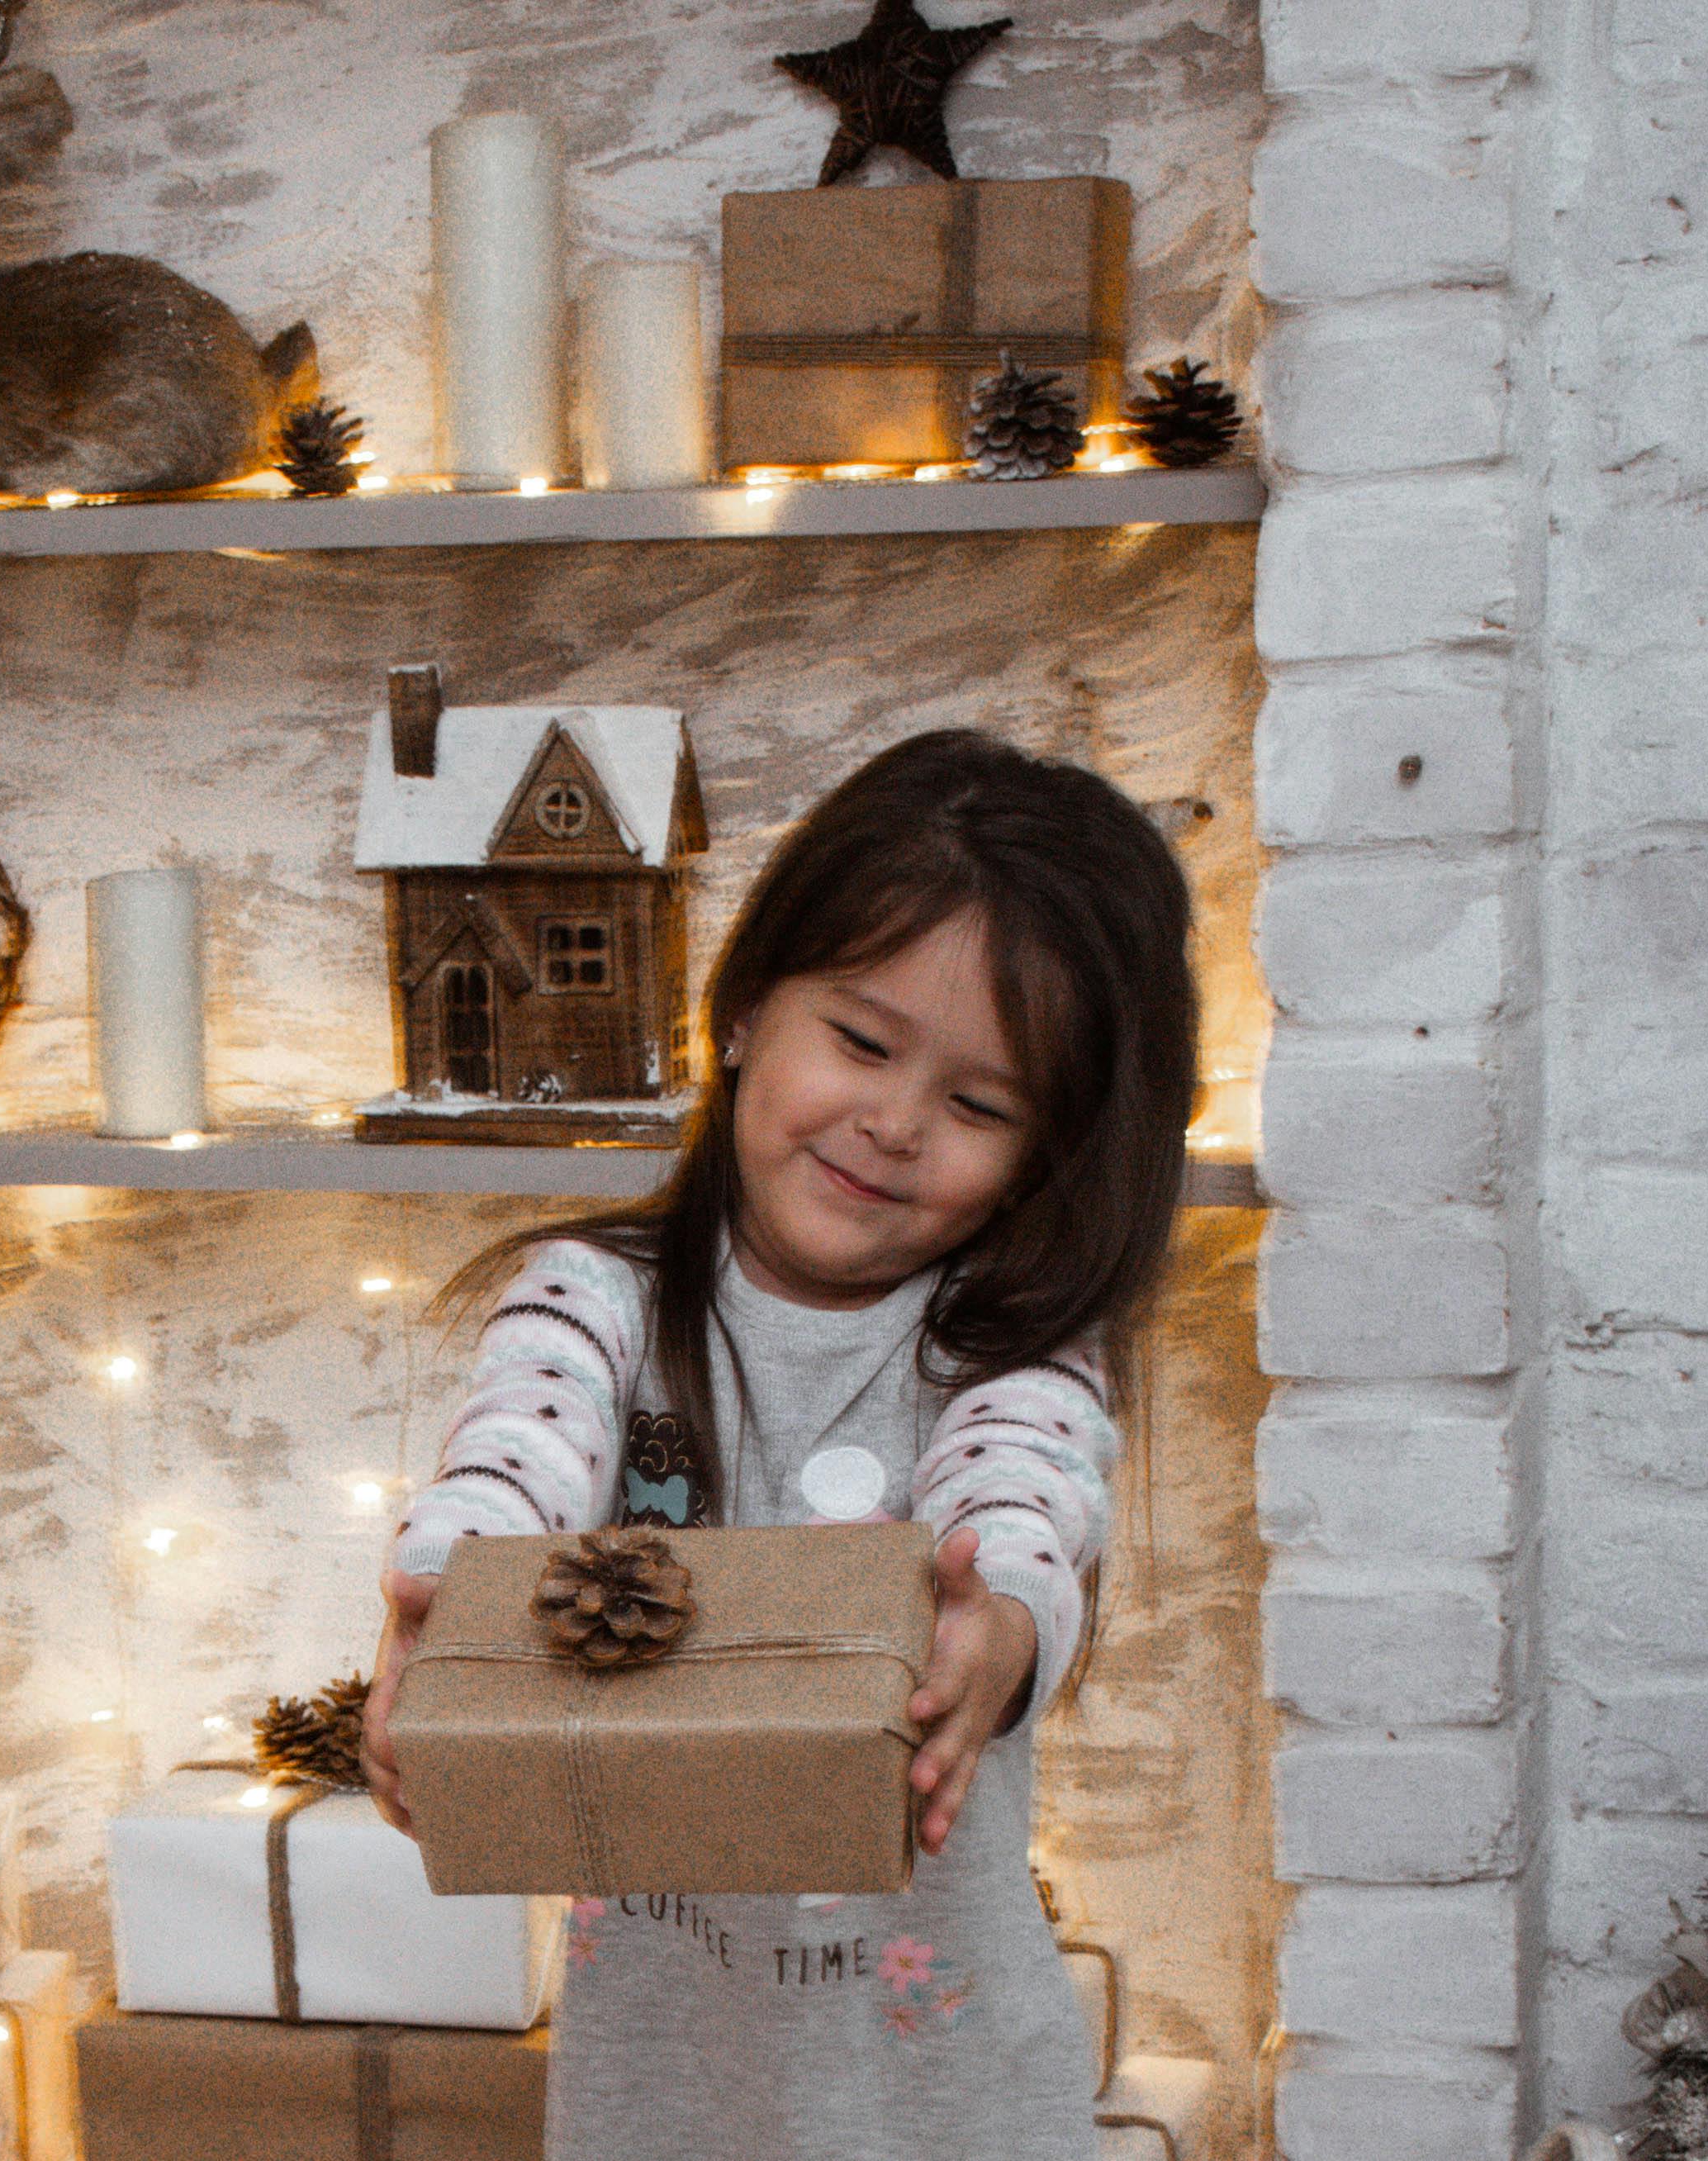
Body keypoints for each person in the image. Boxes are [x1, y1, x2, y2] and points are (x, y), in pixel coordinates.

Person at [360, 729, 1197, 2161]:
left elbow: (1026, 1488)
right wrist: (450, 1599)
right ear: (745, 1008)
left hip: (951, 2105)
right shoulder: (597, 1298)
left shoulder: (1020, 1346)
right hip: (663, 2099)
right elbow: (516, 1447)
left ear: (1046, 1153)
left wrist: (995, 1629)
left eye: (979, 1105)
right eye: (863, 1044)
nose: (892, 1121)